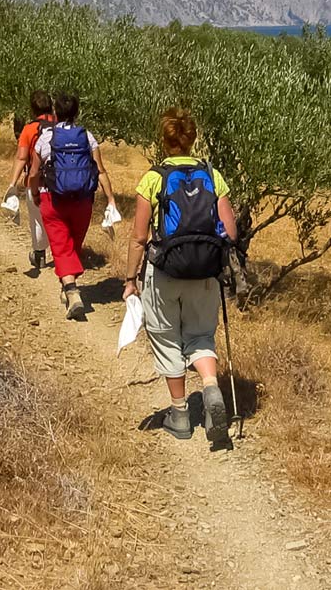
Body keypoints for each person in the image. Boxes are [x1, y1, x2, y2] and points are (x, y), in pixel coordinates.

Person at [123, 108, 238, 444]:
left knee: (166, 336)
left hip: (165, 272)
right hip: (205, 272)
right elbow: (230, 230)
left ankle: (180, 414)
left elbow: (139, 237)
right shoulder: (213, 175)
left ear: (165, 139)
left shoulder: (153, 178)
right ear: (193, 139)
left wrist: (130, 280)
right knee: (201, 335)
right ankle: (211, 388)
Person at [28, 91, 117, 319]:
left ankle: (72, 291)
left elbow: (35, 172)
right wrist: (111, 199)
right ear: (77, 112)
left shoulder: (45, 138)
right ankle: (68, 286)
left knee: (60, 245)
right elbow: (100, 170)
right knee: (73, 244)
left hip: (53, 199)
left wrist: (35, 192)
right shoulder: (87, 137)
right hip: (82, 200)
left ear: (56, 112)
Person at [8, 90, 56, 270]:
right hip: (61, 184)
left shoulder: (29, 129)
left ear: (32, 109)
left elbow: (21, 158)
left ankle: (39, 254)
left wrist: (12, 184)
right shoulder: (61, 126)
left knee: (37, 219)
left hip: (36, 182)